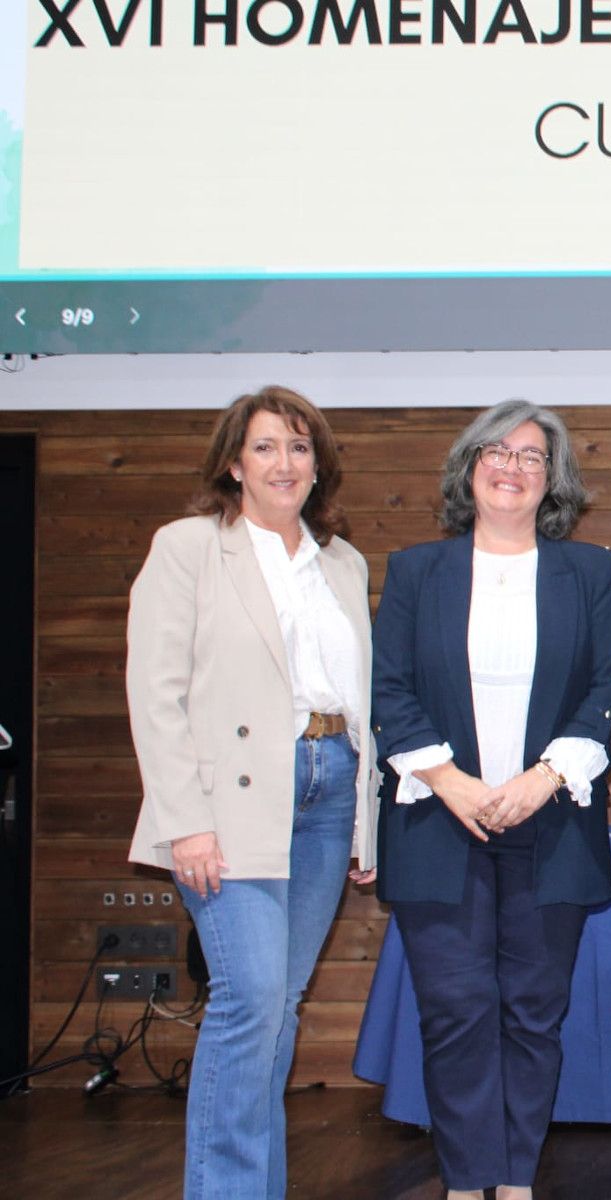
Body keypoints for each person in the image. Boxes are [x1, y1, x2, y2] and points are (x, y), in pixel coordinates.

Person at [372, 400, 611, 1200]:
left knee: (532, 1012)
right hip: (434, 819)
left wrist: (543, 778)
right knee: (454, 1014)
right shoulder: (419, 570)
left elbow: (609, 687)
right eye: (497, 450)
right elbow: (390, 689)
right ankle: (467, 1180)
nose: (512, 466)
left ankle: (515, 1178)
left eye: (531, 455)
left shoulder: (589, 571)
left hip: (549, 820)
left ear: (552, 480)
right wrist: (451, 782)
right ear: (468, 466)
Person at [126, 386, 377, 1199]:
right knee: (251, 999)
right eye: (266, 446)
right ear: (234, 462)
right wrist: (185, 822)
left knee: (280, 1006)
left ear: (319, 465)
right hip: (230, 804)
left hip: (328, 783)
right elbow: (156, 695)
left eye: (300, 447)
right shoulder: (189, 547)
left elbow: (359, 703)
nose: (285, 462)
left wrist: (363, 827)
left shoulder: (341, 562)